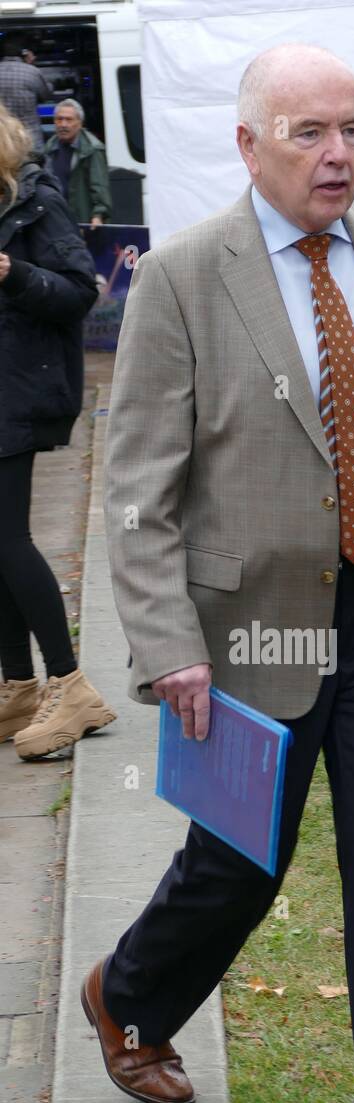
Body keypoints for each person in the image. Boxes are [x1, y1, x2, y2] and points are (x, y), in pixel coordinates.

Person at [82, 43, 354, 1103]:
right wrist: (167, 641)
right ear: (250, 144)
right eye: (308, 132)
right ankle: (130, 995)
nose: (337, 154)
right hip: (247, 621)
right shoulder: (183, 277)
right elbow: (139, 482)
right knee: (238, 861)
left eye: (351, 129)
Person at [0, 102, 117, 758]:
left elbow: (81, 290)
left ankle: (70, 685)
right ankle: (18, 684)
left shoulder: (39, 201)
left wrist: (15, 274)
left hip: (18, 389)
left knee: (10, 539)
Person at [45, 99, 112, 228]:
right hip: (57, 222)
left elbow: (100, 187)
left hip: (84, 223)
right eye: (59, 119)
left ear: (79, 123)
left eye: (69, 119)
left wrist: (98, 216)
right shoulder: (50, 147)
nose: (63, 124)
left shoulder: (92, 149)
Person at [0, 34, 51, 152]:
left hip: (3, 142)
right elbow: (46, 95)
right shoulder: (32, 72)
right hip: (31, 141)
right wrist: (30, 64)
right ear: (24, 53)